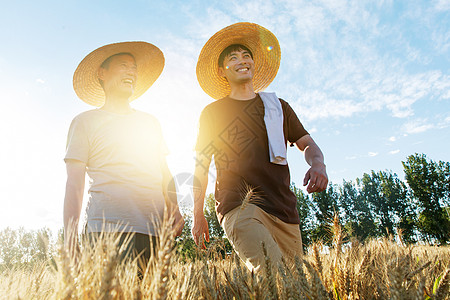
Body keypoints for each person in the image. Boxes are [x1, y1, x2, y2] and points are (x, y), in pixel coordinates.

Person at [192, 23, 328, 272]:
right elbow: (201, 165)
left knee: (296, 287)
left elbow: (307, 144)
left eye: (246, 56)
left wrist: (318, 163)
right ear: (223, 71)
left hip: (284, 210)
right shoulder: (213, 113)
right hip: (240, 206)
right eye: (233, 58)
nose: (241, 61)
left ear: (253, 64)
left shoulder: (279, 107)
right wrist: (197, 213)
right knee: (272, 274)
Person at [64, 41, 184, 265]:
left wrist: (174, 208)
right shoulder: (84, 122)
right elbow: (74, 184)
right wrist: (70, 239)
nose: (131, 71)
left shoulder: (150, 122)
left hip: (155, 230)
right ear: (102, 73)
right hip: (107, 229)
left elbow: (164, 172)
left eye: (134, 68)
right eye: (123, 65)